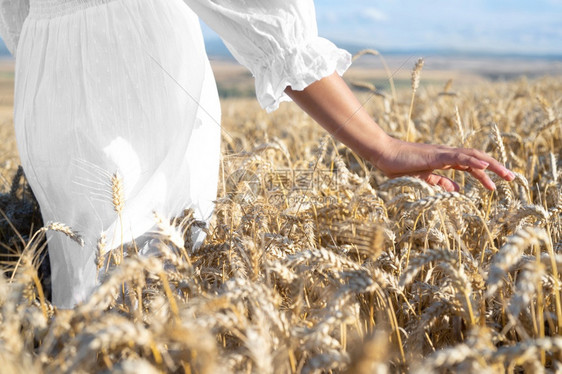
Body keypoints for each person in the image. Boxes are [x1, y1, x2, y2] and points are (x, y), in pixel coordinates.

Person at [0, 0, 514, 308]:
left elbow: (18, 17)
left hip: (50, 75)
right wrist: (379, 144)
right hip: (134, 73)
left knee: (92, 297)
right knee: (146, 298)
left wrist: (48, 58)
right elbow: (265, 16)